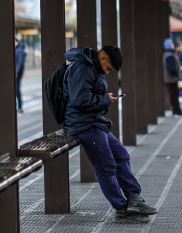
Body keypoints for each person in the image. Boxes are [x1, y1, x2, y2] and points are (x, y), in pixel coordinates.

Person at [63, 45, 158, 223]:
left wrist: (104, 97)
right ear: (103, 58)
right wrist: (105, 99)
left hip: (95, 122)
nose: (107, 73)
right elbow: (79, 100)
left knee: (121, 155)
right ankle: (121, 209)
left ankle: (133, 199)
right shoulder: (82, 68)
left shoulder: (91, 67)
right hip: (85, 125)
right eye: (108, 69)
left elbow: (86, 95)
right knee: (106, 167)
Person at [162, 39, 182, 118]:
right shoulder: (169, 55)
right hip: (171, 79)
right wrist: (177, 73)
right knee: (174, 95)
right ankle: (177, 111)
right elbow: (171, 67)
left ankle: (176, 110)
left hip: (170, 78)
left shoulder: (168, 54)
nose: (173, 45)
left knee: (174, 95)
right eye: (172, 43)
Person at [15, 39, 27, 113]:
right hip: (16, 72)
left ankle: (20, 107)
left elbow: (20, 62)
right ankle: (18, 106)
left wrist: (16, 72)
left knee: (17, 89)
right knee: (16, 89)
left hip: (17, 73)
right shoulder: (17, 49)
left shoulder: (19, 50)